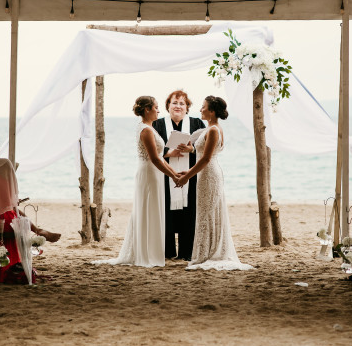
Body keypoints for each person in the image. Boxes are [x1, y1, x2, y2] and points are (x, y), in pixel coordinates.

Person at [93, 96, 182, 268]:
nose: (158, 110)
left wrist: (174, 174)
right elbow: (155, 159)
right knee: (148, 209)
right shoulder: (146, 130)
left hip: (154, 172)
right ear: (147, 109)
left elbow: (160, 158)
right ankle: (147, 253)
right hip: (149, 173)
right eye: (156, 107)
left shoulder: (149, 128)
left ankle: (151, 250)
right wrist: (173, 176)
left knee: (153, 209)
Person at [0, 133, 60, 283]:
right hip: (2, 222)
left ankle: (38, 230)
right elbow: (12, 194)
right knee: (13, 212)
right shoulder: (4, 164)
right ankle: (38, 230)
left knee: (10, 210)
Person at [175, 96, 252, 271]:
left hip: (209, 173)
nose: (200, 110)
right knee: (206, 211)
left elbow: (207, 158)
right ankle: (206, 251)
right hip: (206, 173)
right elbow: (204, 152)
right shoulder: (211, 128)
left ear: (211, 111)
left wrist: (187, 176)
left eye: (203, 107)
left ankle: (209, 253)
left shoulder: (214, 130)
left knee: (208, 212)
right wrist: (191, 151)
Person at [152, 90, 206, 261]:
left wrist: (192, 149)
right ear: (168, 106)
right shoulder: (157, 125)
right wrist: (169, 152)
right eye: (174, 103)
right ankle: (167, 252)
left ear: (187, 108)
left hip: (190, 175)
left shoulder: (197, 123)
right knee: (165, 212)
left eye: (182, 103)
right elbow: (152, 150)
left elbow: (205, 148)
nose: (178, 106)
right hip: (164, 175)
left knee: (188, 213)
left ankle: (186, 252)